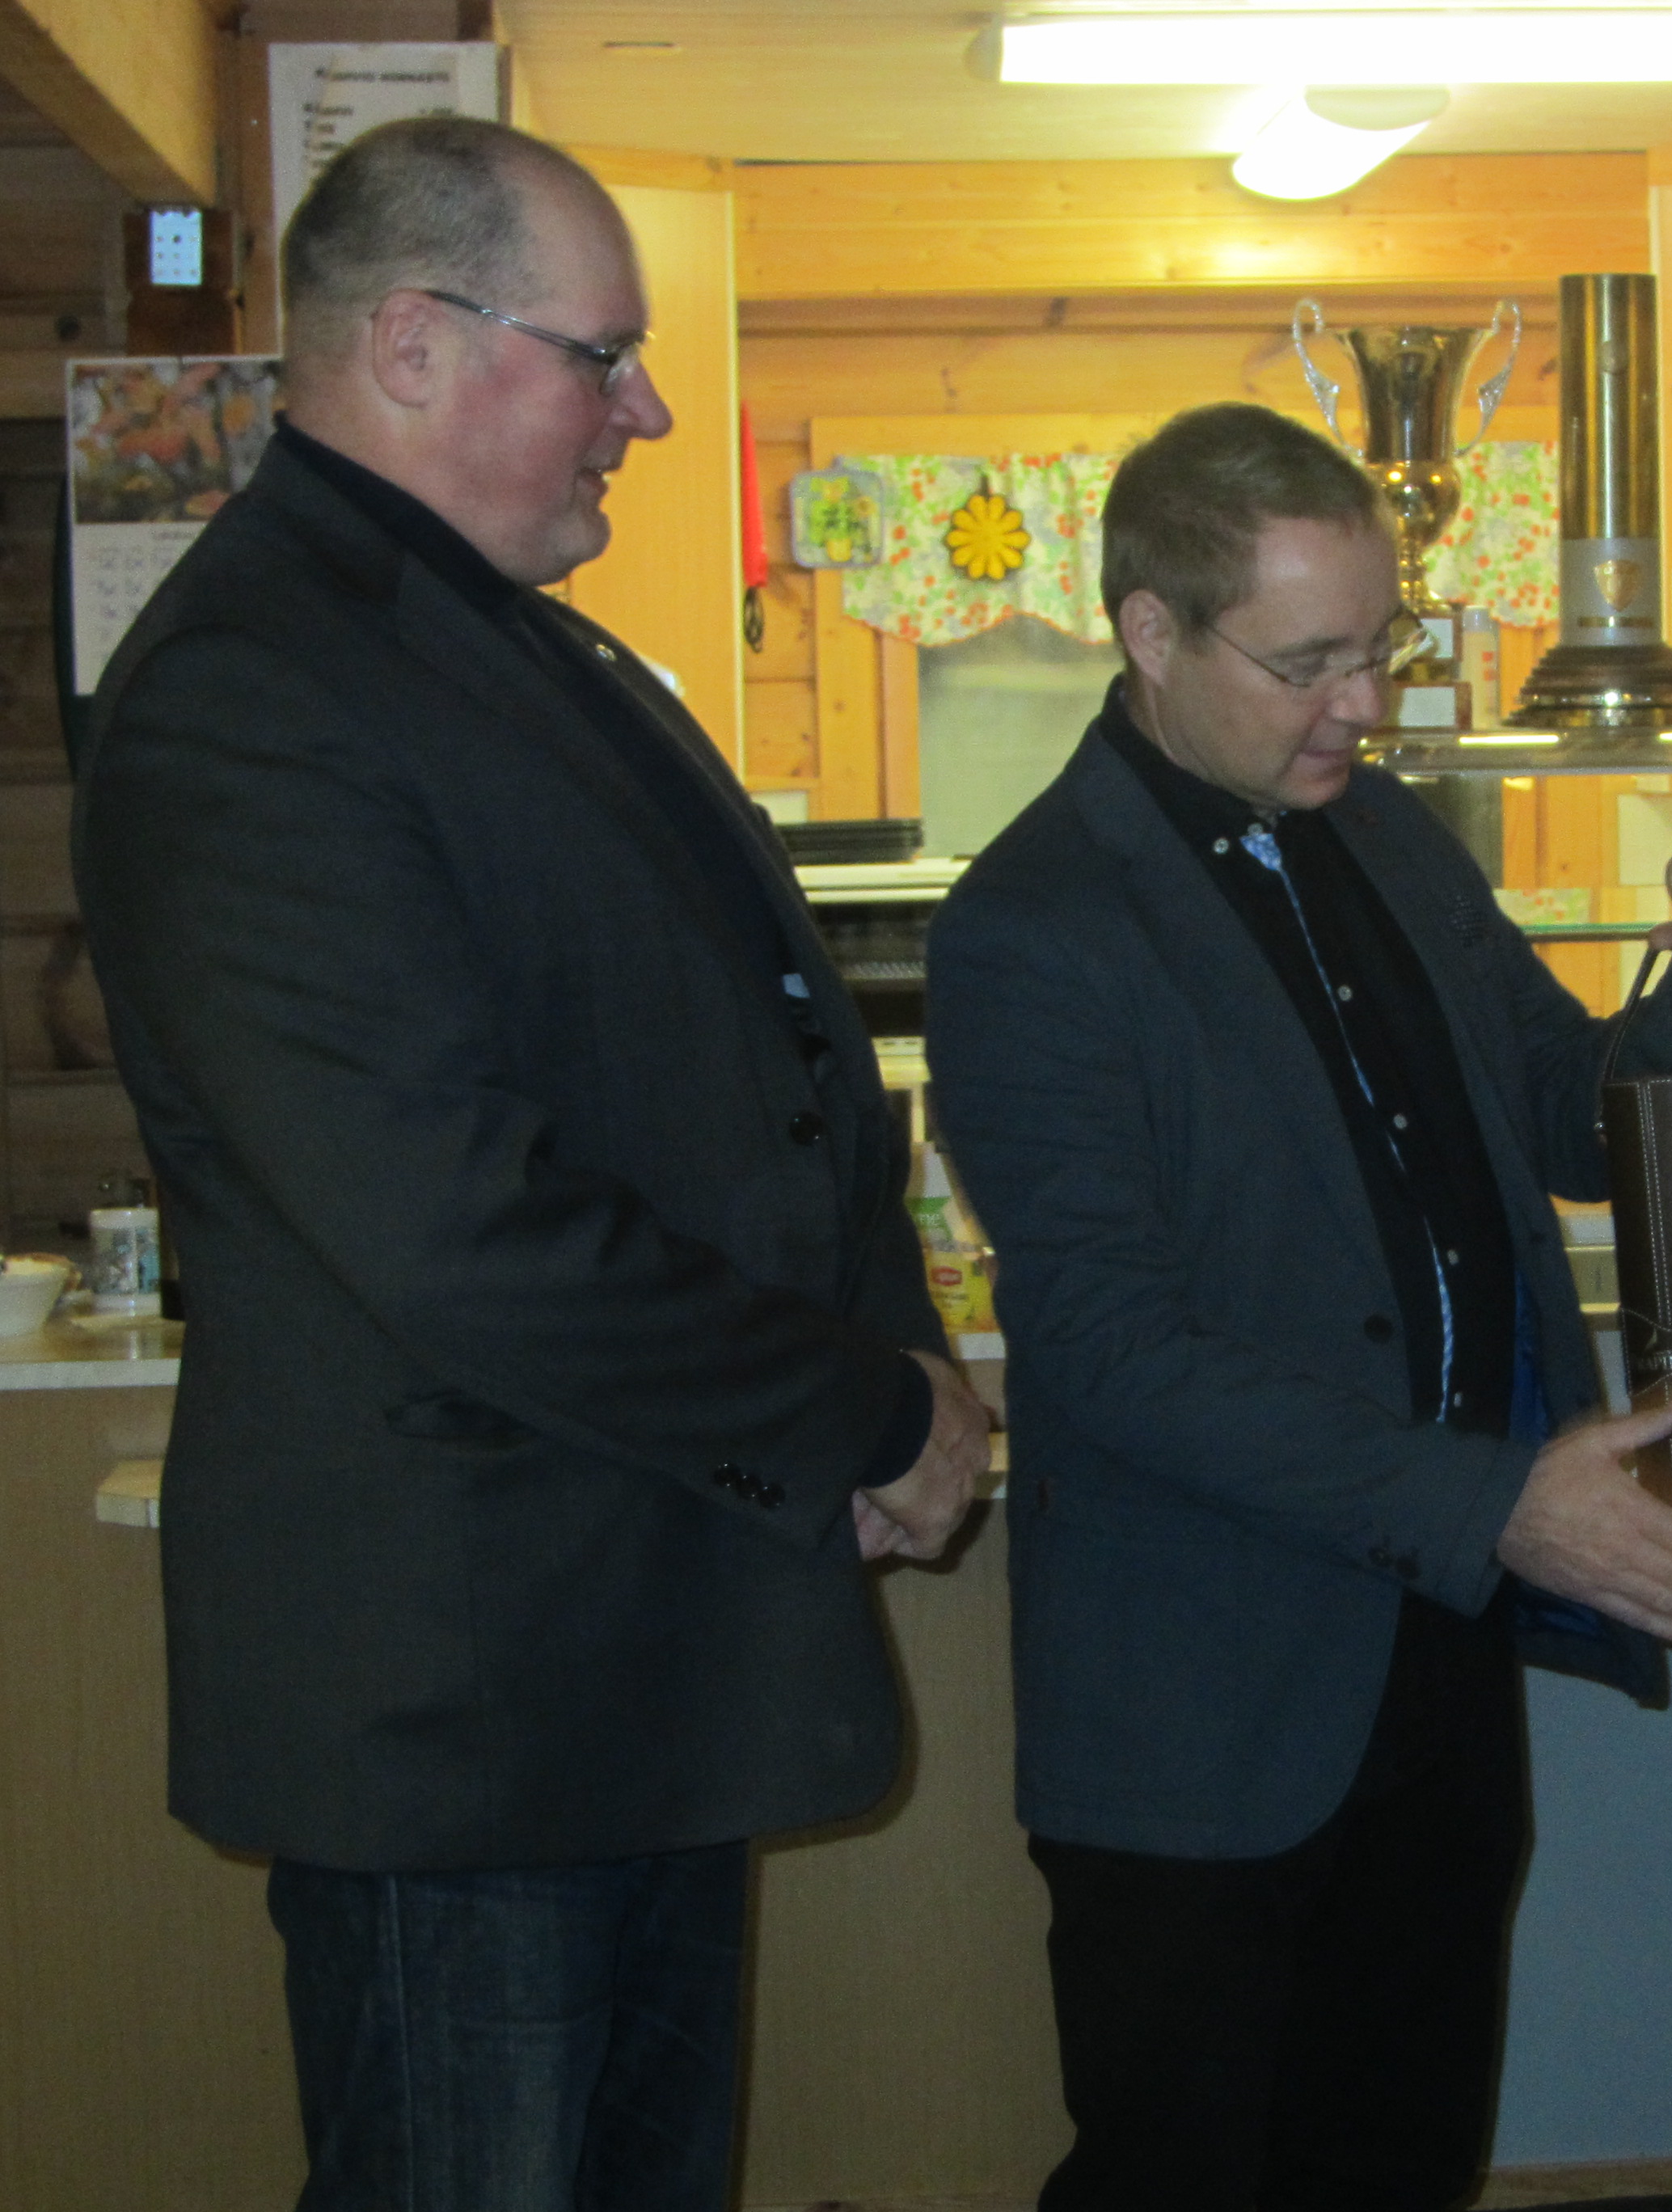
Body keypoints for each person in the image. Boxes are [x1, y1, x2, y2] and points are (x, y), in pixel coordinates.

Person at [72, 117, 994, 2212]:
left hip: (623, 1662)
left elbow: (768, 1077)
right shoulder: (250, 690)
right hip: (468, 1710)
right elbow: (455, 1229)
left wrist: (898, 1351)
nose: (647, 412)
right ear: (412, 344)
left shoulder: (503, 642)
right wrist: (856, 1407)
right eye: (604, 356)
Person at [924, 400, 1672, 2211]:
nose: (1364, 703)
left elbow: (1565, 1116)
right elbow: (1111, 1355)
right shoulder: (1033, 923)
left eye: (1382, 647)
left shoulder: (1392, 836)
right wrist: (1498, 1502)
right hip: (1208, 1706)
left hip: (1434, 1664)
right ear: (1151, 633)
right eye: (1308, 663)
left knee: (1405, 2161)